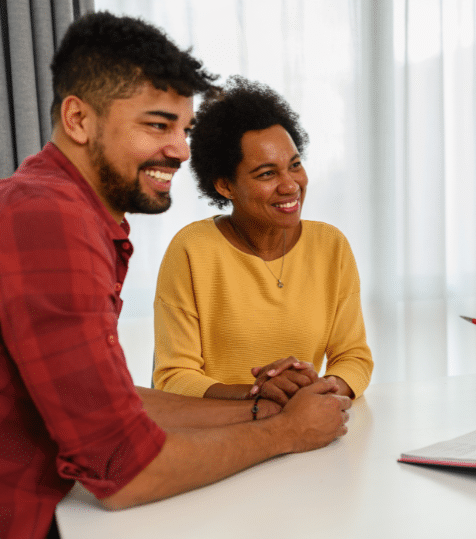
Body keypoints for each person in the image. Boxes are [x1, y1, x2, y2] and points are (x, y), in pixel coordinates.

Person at [0, 12, 350, 539]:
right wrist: (283, 433)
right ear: (79, 120)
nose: (178, 149)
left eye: (183, 129)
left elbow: (112, 401)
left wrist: (259, 405)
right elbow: (123, 470)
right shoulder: (45, 221)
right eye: (157, 125)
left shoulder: (60, 210)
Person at [152, 77, 373, 406]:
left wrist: (317, 389)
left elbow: (353, 358)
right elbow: (172, 377)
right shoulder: (191, 250)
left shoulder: (330, 246)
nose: (290, 185)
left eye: (294, 165)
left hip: (306, 429)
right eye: (267, 174)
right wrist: (258, 393)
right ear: (225, 185)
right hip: (221, 434)